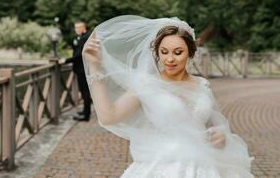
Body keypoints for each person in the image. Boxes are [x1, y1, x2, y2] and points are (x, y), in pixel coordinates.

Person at [82, 15, 255, 177]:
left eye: (178, 52)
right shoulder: (147, 85)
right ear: (157, 53)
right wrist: (95, 68)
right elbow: (109, 116)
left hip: (203, 166)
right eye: (164, 52)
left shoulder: (202, 86)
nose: (170, 59)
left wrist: (220, 136)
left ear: (190, 53)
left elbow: (212, 125)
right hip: (161, 166)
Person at [59, 21, 91, 121]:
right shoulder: (82, 37)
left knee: (85, 92)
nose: (76, 30)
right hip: (81, 68)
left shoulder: (85, 38)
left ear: (83, 27)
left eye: (78, 28)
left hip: (83, 69)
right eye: (75, 28)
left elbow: (79, 54)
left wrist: (66, 60)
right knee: (84, 91)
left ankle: (86, 115)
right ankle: (85, 111)